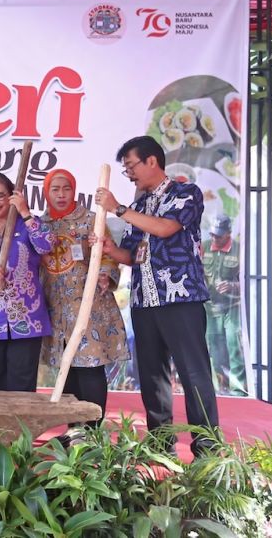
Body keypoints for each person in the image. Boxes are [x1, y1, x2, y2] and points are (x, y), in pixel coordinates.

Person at [95, 135, 219, 456]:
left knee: (193, 373)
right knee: (151, 376)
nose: (130, 174)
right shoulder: (139, 206)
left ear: (152, 161)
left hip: (180, 301)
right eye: (126, 170)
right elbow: (135, 254)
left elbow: (165, 228)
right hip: (144, 301)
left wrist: (118, 208)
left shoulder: (185, 193)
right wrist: (112, 251)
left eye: (131, 166)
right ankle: (161, 444)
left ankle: (206, 447)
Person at [39, 168, 129, 432]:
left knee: (90, 369)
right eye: (55, 189)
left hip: (89, 308)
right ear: (46, 192)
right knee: (67, 372)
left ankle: (92, 433)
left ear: (74, 190)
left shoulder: (92, 220)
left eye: (66, 188)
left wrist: (105, 275)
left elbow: (110, 256)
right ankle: (73, 431)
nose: (61, 195)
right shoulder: (41, 225)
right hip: (57, 309)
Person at [0, 172, 54, 392]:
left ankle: (21, 428)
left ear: (12, 195)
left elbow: (47, 245)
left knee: (21, 382)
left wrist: (24, 211)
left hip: (26, 316)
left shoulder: (27, 224)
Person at [202, 214, 245, 394]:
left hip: (232, 307)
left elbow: (250, 280)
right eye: (212, 234)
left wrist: (233, 286)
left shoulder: (239, 250)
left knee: (234, 345)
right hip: (210, 308)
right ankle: (222, 387)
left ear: (228, 233)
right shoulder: (203, 247)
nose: (215, 238)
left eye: (219, 235)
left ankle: (239, 389)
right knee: (215, 348)